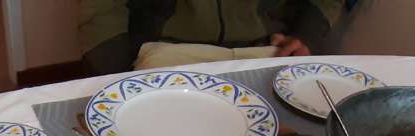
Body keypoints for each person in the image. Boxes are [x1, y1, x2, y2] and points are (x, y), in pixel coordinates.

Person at [78, 0, 345, 75]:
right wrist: (115, 74)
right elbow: (100, 9)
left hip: (269, 48)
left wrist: (308, 33)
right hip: (166, 52)